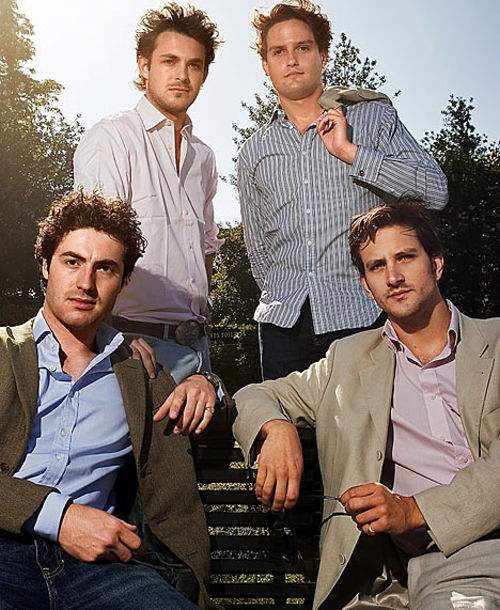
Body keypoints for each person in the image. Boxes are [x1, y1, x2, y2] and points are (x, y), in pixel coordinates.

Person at [233, 199, 500, 609]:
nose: (393, 277)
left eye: (405, 257)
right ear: (366, 286)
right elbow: (255, 394)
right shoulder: (348, 359)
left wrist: (415, 511)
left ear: (436, 264)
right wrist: (277, 428)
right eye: (377, 266)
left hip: (482, 549)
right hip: (389, 579)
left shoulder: (494, 343)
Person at [0, 191, 223, 609]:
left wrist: (207, 382)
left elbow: (230, 409)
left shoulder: (142, 372)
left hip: (100, 570)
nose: (86, 283)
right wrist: (60, 517)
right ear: (45, 266)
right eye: (72, 262)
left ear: (123, 281)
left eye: (105, 268)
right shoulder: (3, 352)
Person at [237, 0, 448, 380]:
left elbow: (435, 191)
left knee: (374, 422)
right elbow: (257, 247)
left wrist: (351, 153)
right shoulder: (253, 150)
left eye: (303, 47)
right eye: (278, 52)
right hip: (281, 329)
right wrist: (280, 291)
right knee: (286, 423)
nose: (291, 60)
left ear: (323, 55)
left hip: (362, 317)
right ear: (265, 65)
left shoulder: (373, 118)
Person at [74, 3, 224, 382]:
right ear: (144, 66)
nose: (182, 75)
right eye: (169, 61)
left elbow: (207, 245)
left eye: (194, 65)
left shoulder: (204, 157)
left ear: (204, 74)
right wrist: (107, 336)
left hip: (198, 346)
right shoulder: (112, 138)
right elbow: (93, 246)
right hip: (131, 344)